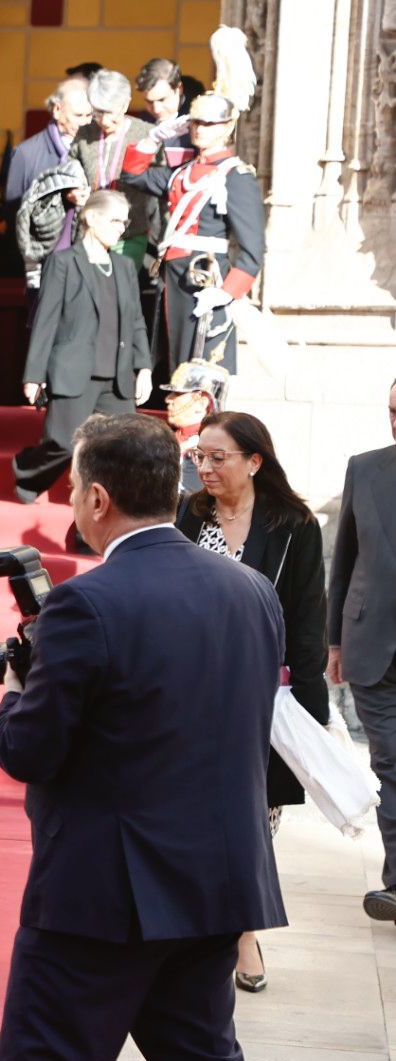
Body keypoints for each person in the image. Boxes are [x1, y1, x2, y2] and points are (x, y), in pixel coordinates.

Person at [0, 412, 286, 1061]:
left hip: (102, 899)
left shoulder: (84, 605)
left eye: (72, 490)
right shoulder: (252, 591)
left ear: (97, 498)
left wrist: (14, 687)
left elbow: (28, 751)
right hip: (216, 882)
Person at [175, 410, 328, 993]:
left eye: (219, 457)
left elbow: (307, 625)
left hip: (258, 701)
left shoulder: (293, 525)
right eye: (200, 457)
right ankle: (208, 929)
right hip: (188, 696)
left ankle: (242, 934)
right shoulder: (190, 516)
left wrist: (310, 718)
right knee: (191, 813)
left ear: (254, 461)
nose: (206, 468)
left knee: (250, 825)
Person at [12, 190, 152, 503]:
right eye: (115, 220)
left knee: (116, 452)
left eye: (124, 222)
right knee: (62, 443)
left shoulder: (125, 267)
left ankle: (91, 527)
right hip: (74, 372)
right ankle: (26, 470)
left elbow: (136, 320)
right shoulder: (63, 262)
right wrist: (34, 374)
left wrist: (143, 367)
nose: (121, 228)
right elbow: (45, 319)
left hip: (117, 378)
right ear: (91, 218)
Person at [121, 92, 265, 373]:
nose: (199, 129)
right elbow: (132, 174)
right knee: (174, 365)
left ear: (227, 127)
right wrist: (152, 140)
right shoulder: (182, 173)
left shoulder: (236, 176)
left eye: (209, 124)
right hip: (173, 276)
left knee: (200, 371)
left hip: (206, 277)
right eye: (196, 122)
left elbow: (253, 248)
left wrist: (226, 293)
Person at [329, 379, 396, 928]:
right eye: (393, 411)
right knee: (391, 763)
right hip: (373, 643)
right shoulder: (365, 468)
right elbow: (344, 562)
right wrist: (333, 641)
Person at [67, 70, 158, 270]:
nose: (104, 121)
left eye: (110, 112)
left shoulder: (145, 134)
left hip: (129, 232)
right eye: (98, 112)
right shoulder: (85, 133)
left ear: (125, 104)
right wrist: (72, 190)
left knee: (120, 290)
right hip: (90, 232)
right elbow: (69, 167)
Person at [2, 76, 91, 223]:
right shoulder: (26, 154)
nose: (85, 122)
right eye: (78, 115)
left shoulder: (97, 146)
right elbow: (13, 214)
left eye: (89, 115)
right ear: (57, 110)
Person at [161, 360, 228, 492]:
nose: (168, 399)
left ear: (201, 403)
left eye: (178, 394)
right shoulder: (174, 436)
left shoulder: (207, 449)